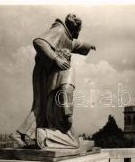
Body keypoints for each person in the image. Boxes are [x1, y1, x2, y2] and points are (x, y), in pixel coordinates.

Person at [9, 14, 96, 149]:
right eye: (79, 29)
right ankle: (19, 135)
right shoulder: (59, 30)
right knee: (40, 105)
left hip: (50, 74)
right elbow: (39, 42)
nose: (79, 32)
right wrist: (56, 58)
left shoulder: (66, 36)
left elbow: (74, 44)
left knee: (42, 107)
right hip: (42, 74)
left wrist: (88, 46)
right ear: (75, 27)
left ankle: (22, 135)